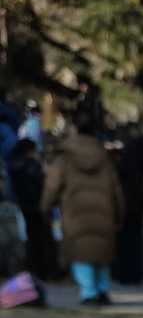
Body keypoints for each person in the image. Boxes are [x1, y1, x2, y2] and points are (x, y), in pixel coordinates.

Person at [41, 109, 124, 306]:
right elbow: (117, 190)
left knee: (81, 253)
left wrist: (45, 206)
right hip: (104, 213)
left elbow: (52, 187)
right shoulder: (105, 158)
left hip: (74, 214)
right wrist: (119, 214)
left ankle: (89, 292)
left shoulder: (63, 158)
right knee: (101, 252)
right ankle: (102, 290)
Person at [112, 128, 143, 284]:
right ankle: (135, 273)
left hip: (126, 208)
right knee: (136, 241)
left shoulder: (125, 166)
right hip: (138, 207)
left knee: (124, 242)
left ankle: (124, 273)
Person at [8, 138, 51, 279]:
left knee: (29, 238)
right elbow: (41, 182)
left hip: (23, 205)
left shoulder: (13, 164)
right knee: (40, 238)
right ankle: (43, 269)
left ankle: (31, 268)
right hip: (37, 205)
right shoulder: (33, 165)